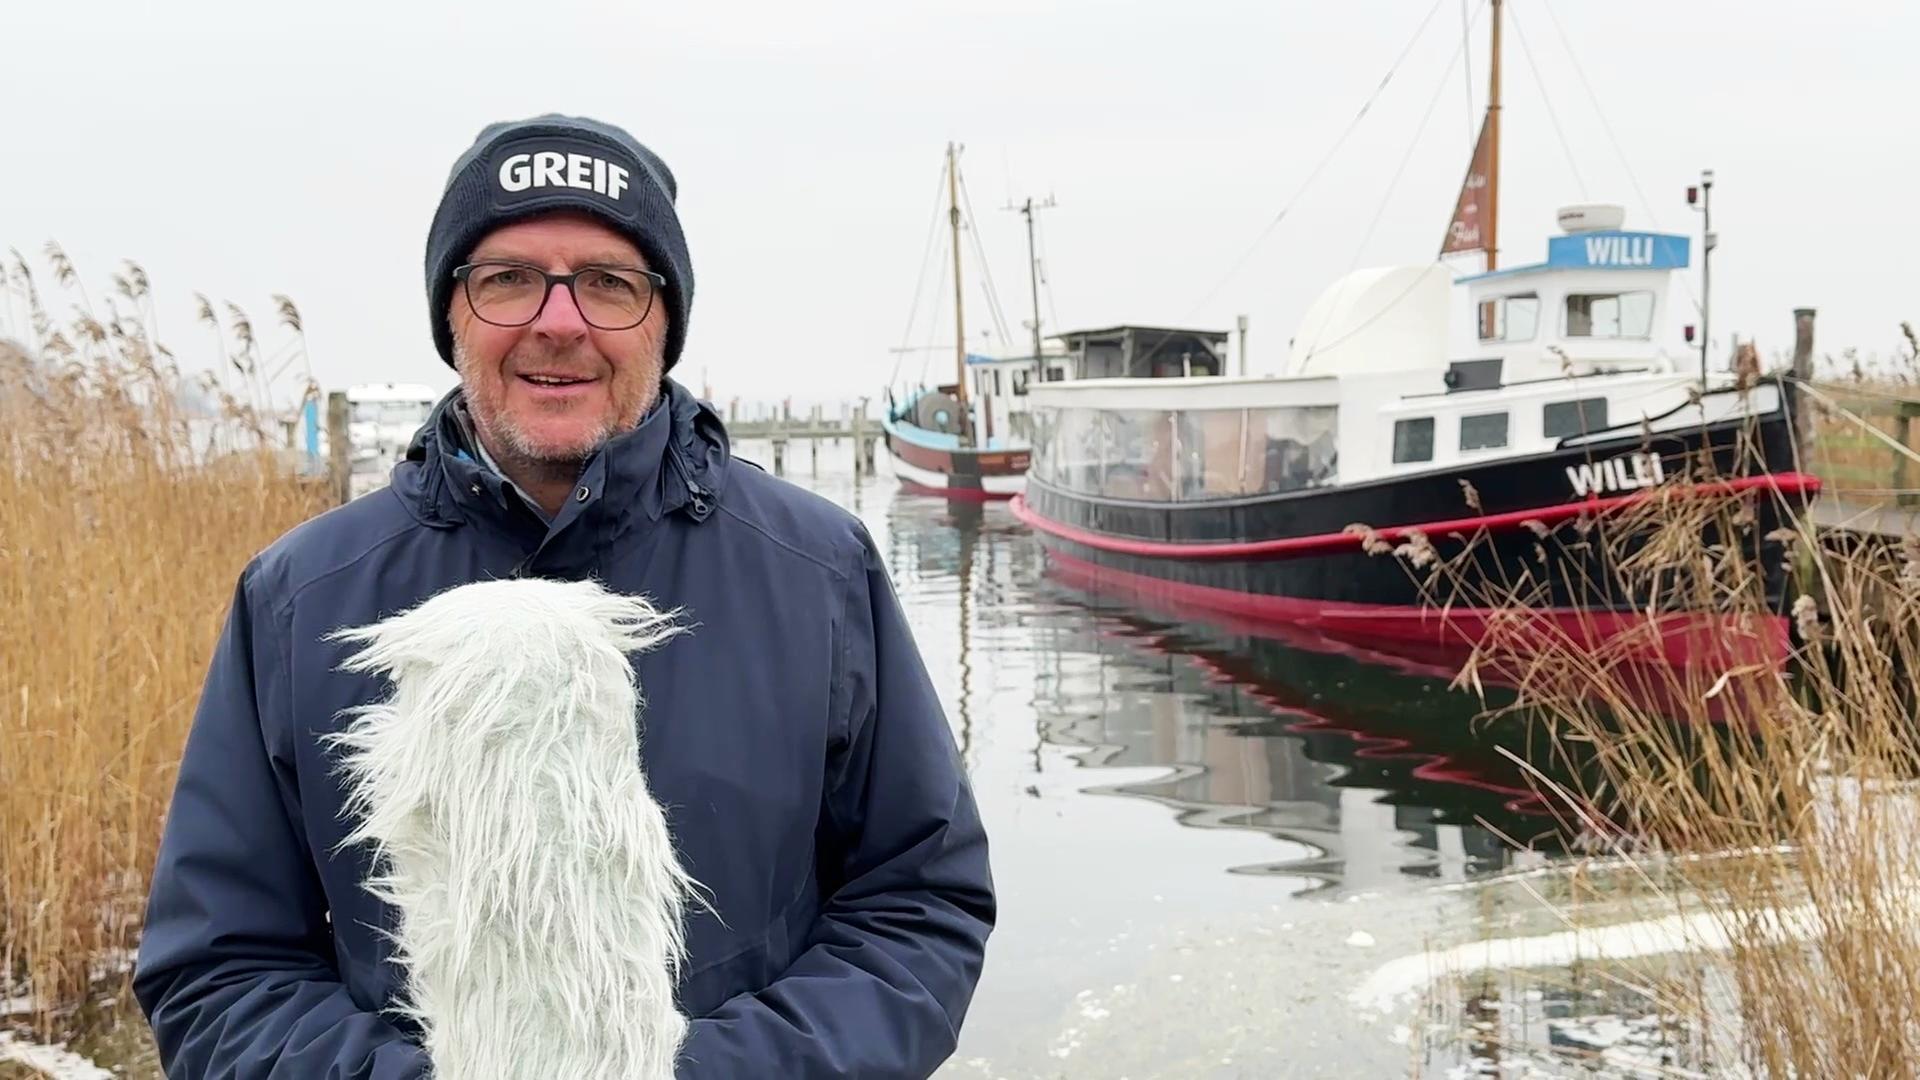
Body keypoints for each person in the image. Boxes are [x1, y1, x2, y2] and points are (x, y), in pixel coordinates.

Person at [132, 113, 995, 1078]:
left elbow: (919, 905)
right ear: (450, 315)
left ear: (663, 323)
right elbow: (218, 969)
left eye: (608, 284)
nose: (558, 320)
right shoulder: (299, 597)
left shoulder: (820, 569)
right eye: (505, 279)